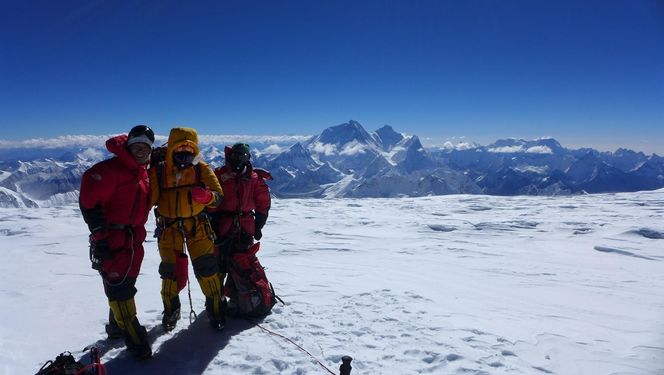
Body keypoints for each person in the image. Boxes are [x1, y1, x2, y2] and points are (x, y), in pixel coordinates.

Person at [79, 125, 154, 359]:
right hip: (113, 239)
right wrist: (100, 239)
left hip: (133, 241)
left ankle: (115, 329)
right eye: (137, 146)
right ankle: (134, 339)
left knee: (125, 285)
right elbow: (90, 203)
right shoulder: (110, 170)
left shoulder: (141, 172)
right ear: (128, 146)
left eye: (146, 147)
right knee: (119, 290)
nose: (141, 150)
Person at [150, 127, 226, 331]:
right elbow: (150, 199)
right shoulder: (159, 171)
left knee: (207, 269)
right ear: (171, 149)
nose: (184, 153)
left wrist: (208, 197)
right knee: (170, 274)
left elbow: (218, 197)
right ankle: (171, 310)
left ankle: (216, 311)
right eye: (179, 148)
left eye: (189, 149)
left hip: (198, 225)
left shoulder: (202, 168)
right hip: (170, 228)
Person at [208, 143, 271, 313]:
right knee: (220, 264)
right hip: (223, 225)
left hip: (244, 226)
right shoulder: (219, 175)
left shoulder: (254, 178)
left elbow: (263, 203)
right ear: (230, 156)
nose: (239, 160)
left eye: (243, 156)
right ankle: (217, 300)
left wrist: (259, 225)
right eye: (237, 156)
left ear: (248, 158)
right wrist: (212, 223)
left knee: (241, 263)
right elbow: (211, 201)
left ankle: (236, 297)